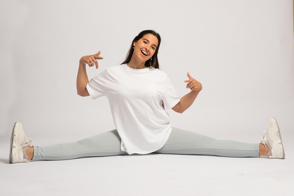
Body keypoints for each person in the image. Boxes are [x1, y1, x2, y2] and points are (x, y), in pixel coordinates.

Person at [9, 30, 285, 164]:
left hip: (161, 135)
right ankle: (26, 153)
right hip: (126, 138)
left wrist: (196, 92)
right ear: (134, 42)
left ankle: (266, 149)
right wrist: (81, 64)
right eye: (145, 42)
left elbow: (177, 108)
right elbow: (83, 91)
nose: (149, 48)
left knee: (212, 145)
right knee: (80, 147)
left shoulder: (158, 76)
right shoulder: (113, 73)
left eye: (153, 47)